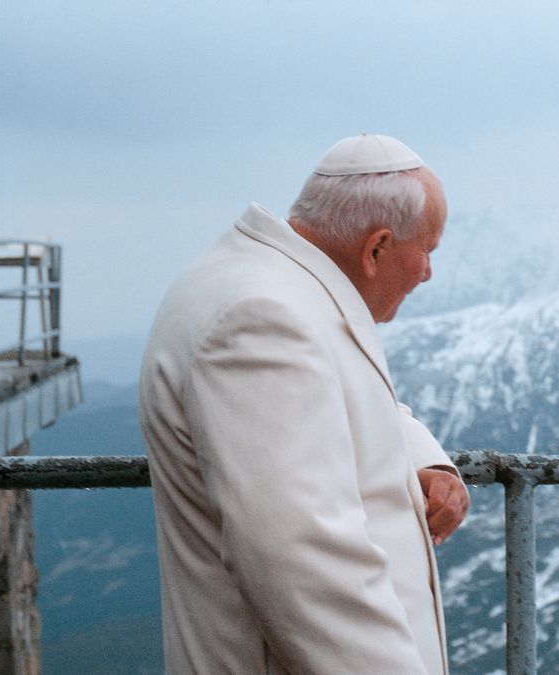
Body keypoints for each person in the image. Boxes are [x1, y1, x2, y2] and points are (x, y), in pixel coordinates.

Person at [139, 134, 469, 674]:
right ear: (377, 248)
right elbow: (301, 559)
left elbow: (325, 399)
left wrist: (419, 461)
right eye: (426, 252)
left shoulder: (272, 286)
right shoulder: (264, 318)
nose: (428, 273)